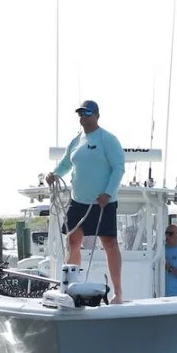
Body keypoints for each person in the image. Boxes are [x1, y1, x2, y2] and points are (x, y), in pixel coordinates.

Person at [46, 100, 126, 302]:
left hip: (102, 202)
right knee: (73, 241)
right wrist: (54, 174)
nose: (83, 117)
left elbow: (118, 168)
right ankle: (73, 287)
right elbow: (66, 163)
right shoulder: (76, 141)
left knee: (109, 242)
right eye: (80, 114)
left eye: (87, 113)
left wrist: (108, 193)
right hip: (78, 201)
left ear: (97, 115)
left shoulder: (107, 139)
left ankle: (118, 292)